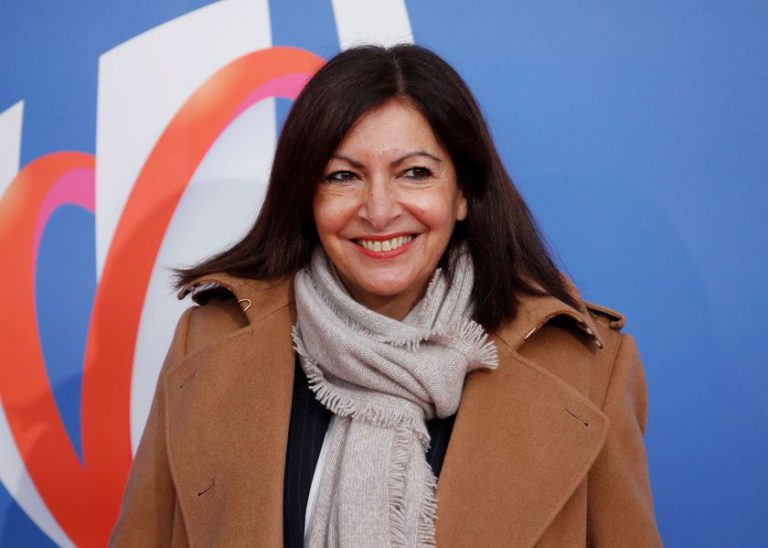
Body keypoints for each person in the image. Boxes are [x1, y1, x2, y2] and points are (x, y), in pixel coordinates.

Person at [110, 44, 662, 547]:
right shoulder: (208, 341)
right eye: (343, 176)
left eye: (415, 173)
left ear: (463, 193)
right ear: (307, 196)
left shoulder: (589, 371)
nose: (378, 211)